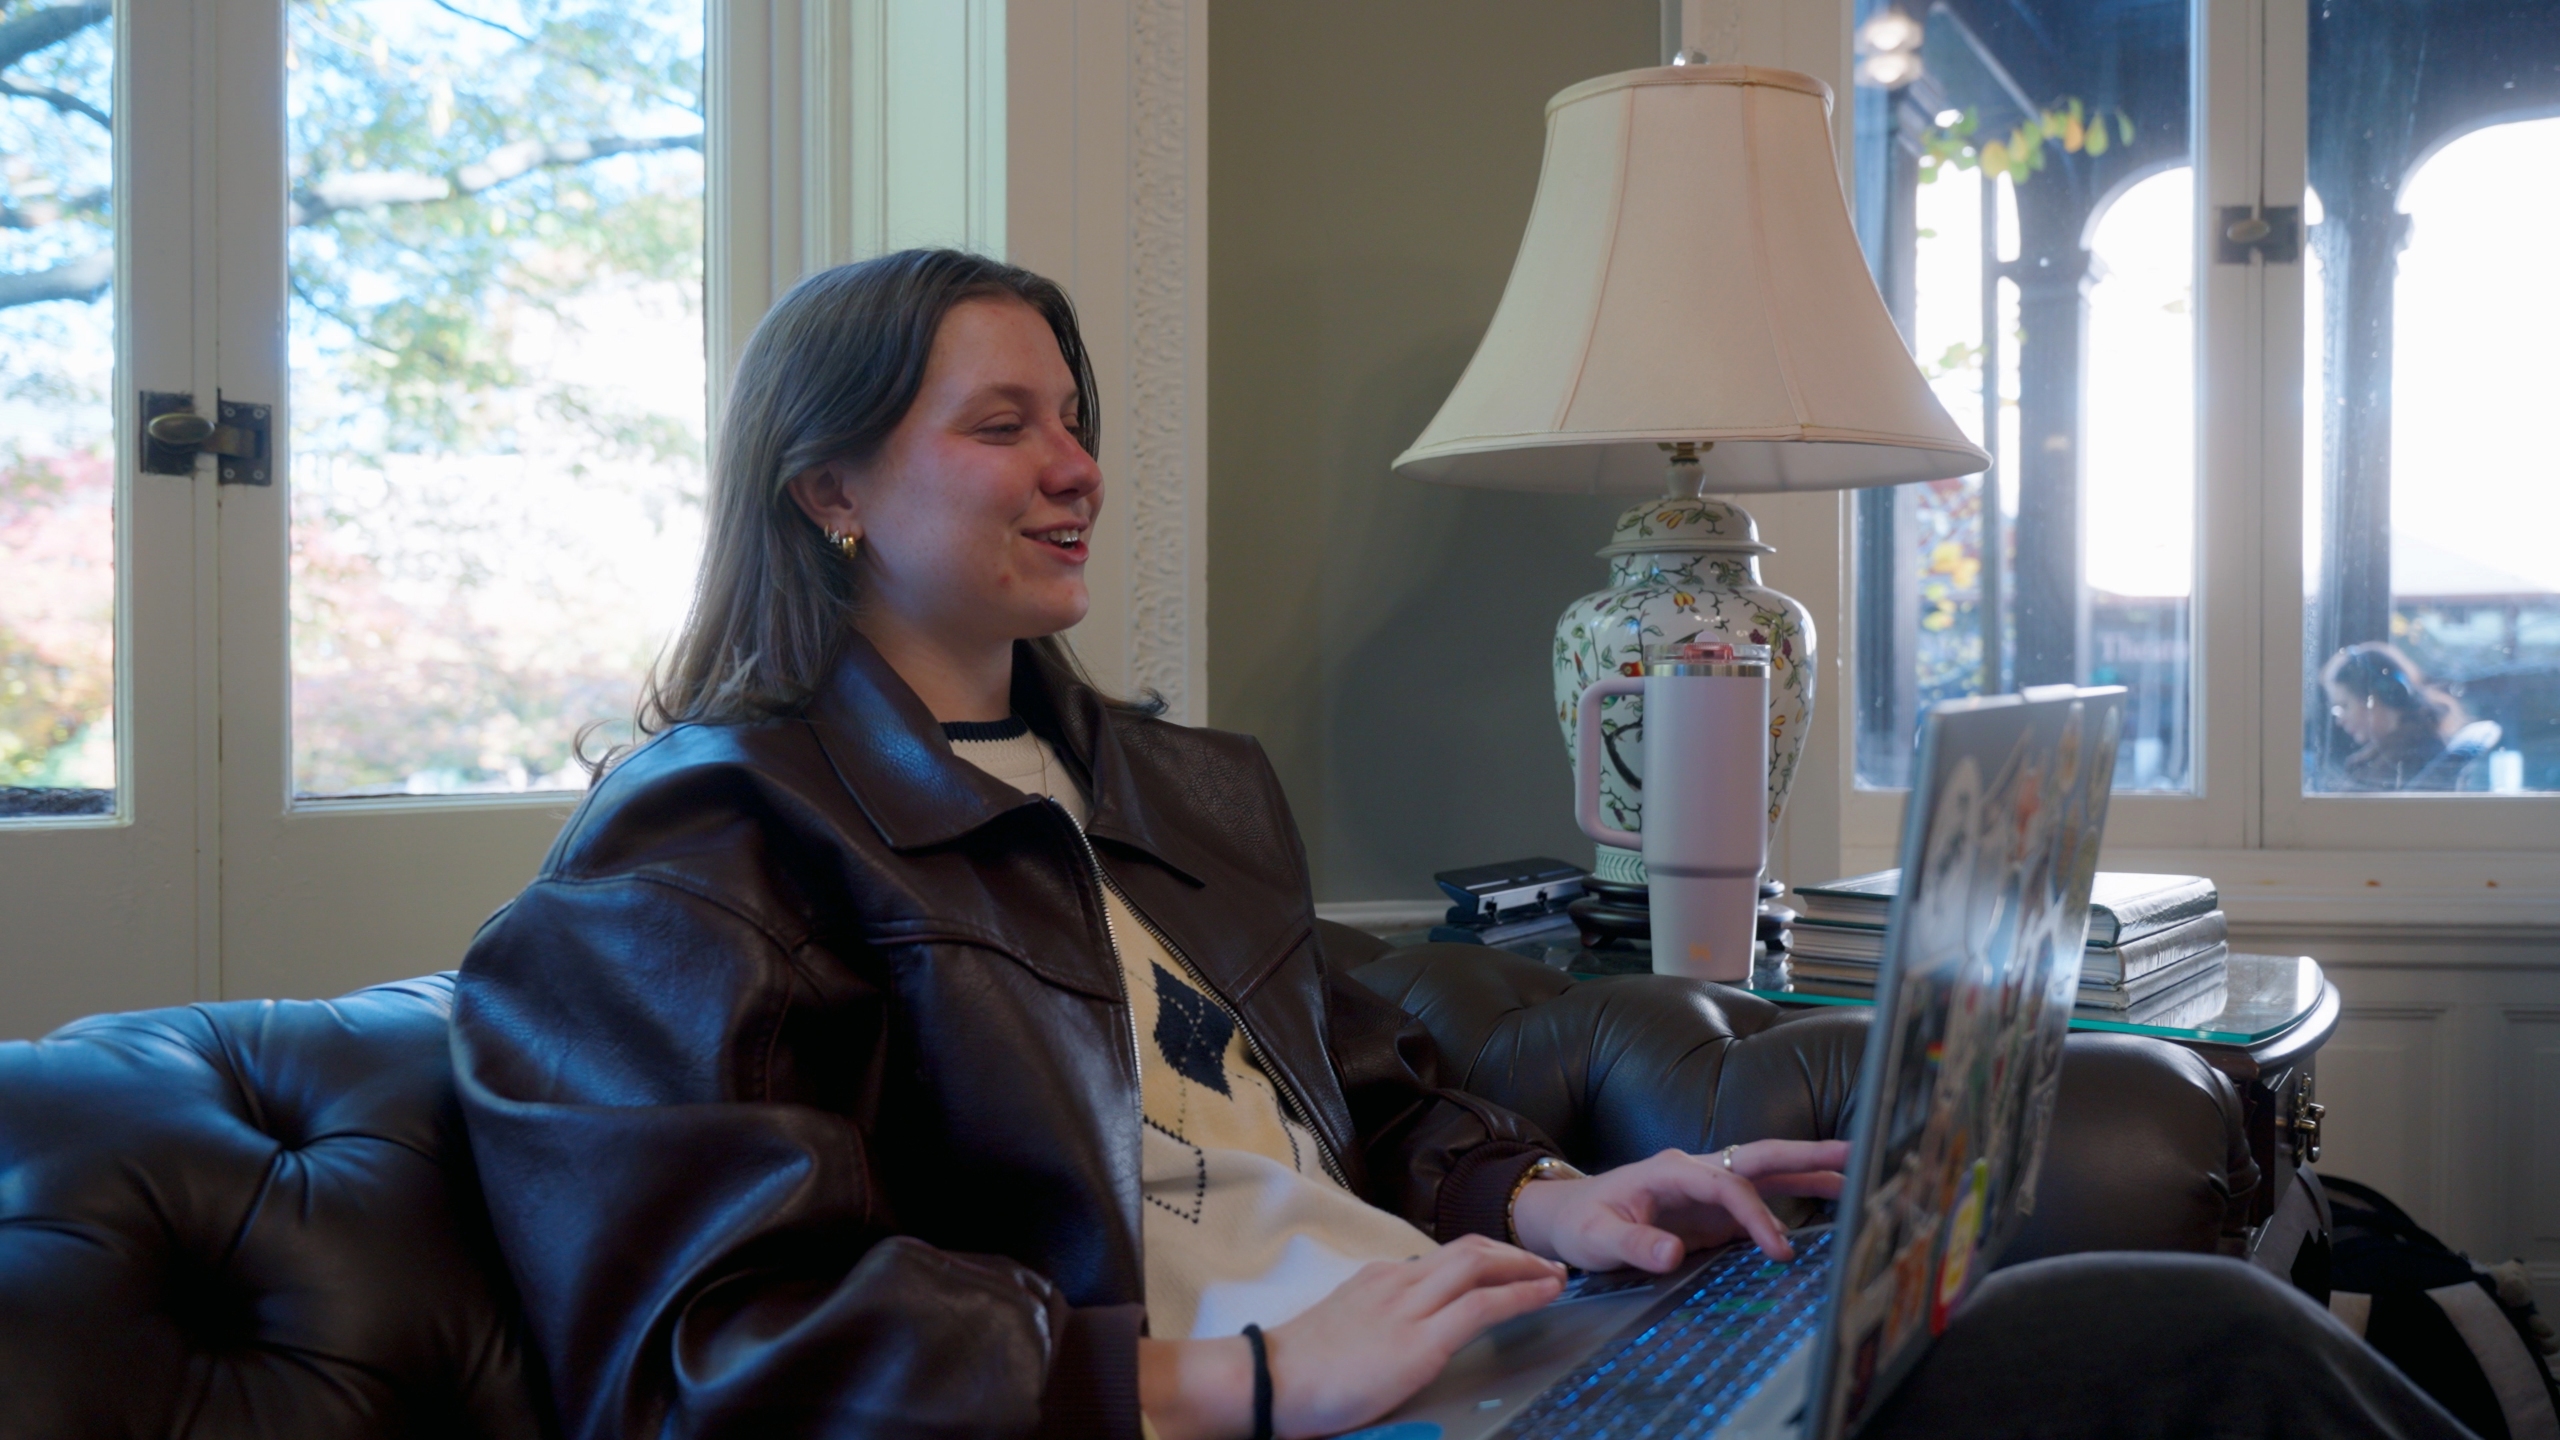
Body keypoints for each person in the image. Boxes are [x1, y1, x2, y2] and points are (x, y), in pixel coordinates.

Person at [454, 249, 2471, 1440]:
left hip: (1490, 1358)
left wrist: (1560, 1201)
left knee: (2156, 1334)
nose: (1075, 468)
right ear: (824, 490)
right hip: (1295, 1418)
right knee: (2181, 1354)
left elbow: (1369, 1093)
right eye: (1001, 427)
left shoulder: (1165, 789)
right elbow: (708, 1358)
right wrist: (1245, 1384)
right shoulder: (697, 856)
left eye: (1075, 418)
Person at [2318, 641, 2502, 791]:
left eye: (2344, 706)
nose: (2339, 719)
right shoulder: (2420, 746)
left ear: (2373, 698)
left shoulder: (2396, 768)